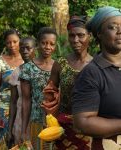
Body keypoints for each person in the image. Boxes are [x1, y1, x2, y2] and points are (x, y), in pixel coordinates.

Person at [71, 6, 121, 150]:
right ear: (99, 33)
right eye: (113, 27)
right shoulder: (92, 73)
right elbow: (83, 123)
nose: (120, 31)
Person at [41, 16, 93, 150]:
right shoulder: (60, 63)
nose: (76, 40)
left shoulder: (96, 65)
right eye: (72, 36)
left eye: (81, 35)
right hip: (63, 129)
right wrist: (49, 121)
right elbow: (49, 94)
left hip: (90, 128)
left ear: (90, 36)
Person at [19, 27, 57, 150]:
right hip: (36, 122)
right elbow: (26, 100)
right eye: (44, 43)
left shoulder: (59, 66)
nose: (47, 47)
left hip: (56, 123)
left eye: (52, 44)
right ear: (38, 45)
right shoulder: (28, 68)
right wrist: (24, 129)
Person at [0, 29, 23, 147]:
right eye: (9, 42)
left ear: (20, 41)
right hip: (4, 109)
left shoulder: (26, 59)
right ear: (5, 43)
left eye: (15, 41)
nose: (12, 45)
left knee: (21, 142)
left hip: (22, 108)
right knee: (3, 143)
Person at [8, 37, 36, 146]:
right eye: (22, 48)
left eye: (28, 48)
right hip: (20, 120)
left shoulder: (42, 70)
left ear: (35, 49)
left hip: (37, 120)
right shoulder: (16, 72)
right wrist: (9, 129)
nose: (24, 51)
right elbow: (13, 102)